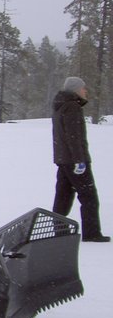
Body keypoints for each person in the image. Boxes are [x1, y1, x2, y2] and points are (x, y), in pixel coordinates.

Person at [52, 76, 109, 242]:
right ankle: (91, 233)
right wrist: (79, 160)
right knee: (89, 196)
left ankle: (58, 231)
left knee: (63, 197)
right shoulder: (72, 107)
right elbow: (73, 136)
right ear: (76, 89)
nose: (86, 91)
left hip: (63, 160)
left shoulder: (60, 106)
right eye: (83, 88)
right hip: (74, 160)